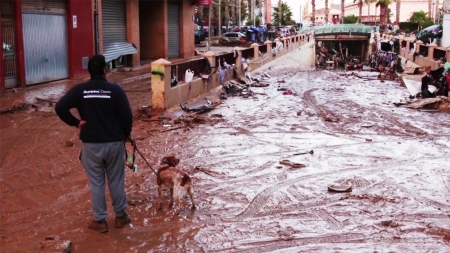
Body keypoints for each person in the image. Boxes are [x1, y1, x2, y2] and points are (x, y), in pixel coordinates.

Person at [55, 55, 133, 233]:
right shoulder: (116, 90)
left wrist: (76, 122)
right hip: (114, 142)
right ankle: (121, 217)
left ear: (89, 71)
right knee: (116, 180)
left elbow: (60, 107)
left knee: (96, 183)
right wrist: (126, 134)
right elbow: (127, 116)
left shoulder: (80, 90)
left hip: (91, 145)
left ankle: (100, 221)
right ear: (105, 70)